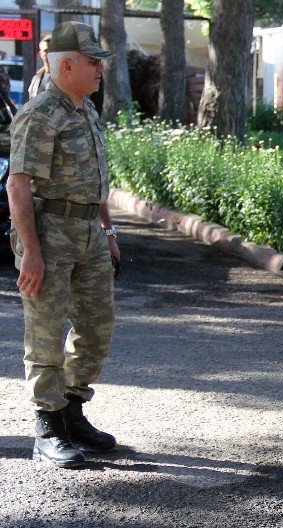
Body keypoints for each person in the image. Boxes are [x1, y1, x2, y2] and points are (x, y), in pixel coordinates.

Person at [6, 21, 118, 469]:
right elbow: (18, 186)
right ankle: (48, 425)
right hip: (49, 233)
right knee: (46, 332)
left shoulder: (85, 110)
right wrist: (31, 251)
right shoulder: (40, 113)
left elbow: (97, 181)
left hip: (89, 232)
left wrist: (108, 231)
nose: (99, 70)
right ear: (66, 65)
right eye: (93, 62)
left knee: (96, 327)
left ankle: (72, 410)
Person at [27, 36, 52, 102]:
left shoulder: (64, 78)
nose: (49, 53)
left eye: (51, 50)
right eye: (46, 51)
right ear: (41, 54)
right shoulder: (36, 78)